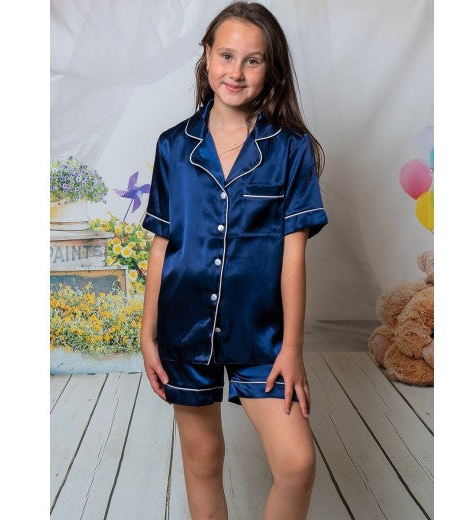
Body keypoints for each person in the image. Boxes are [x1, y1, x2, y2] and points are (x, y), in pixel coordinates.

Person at [140, 2, 329, 518]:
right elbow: (162, 245)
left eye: (253, 60)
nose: (236, 72)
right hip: (183, 326)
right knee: (202, 457)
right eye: (226, 55)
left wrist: (292, 349)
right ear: (206, 55)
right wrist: (147, 333)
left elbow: (293, 257)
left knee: (296, 464)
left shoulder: (290, 150)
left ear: (271, 67)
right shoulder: (173, 147)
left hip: (262, 333)